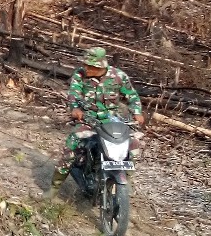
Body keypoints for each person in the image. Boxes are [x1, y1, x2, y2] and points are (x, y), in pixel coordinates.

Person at [50, 46, 144, 188]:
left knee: (133, 144)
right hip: (88, 119)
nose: (85, 68)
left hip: (112, 120)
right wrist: (75, 108)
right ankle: (54, 187)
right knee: (72, 145)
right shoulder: (80, 75)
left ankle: (123, 182)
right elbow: (73, 94)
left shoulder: (119, 76)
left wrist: (137, 112)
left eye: (89, 65)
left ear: (99, 66)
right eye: (85, 64)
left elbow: (132, 96)